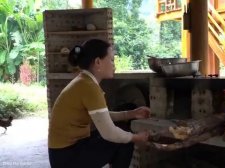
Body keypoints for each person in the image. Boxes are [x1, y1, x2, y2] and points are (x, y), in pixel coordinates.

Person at [48, 39, 150, 168]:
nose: (114, 64)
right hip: (66, 157)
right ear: (98, 62)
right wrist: (136, 138)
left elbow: (103, 116)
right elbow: (109, 133)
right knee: (124, 141)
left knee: (122, 130)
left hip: (65, 151)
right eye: (111, 60)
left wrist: (132, 113)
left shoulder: (84, 81)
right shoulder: (89, 86)